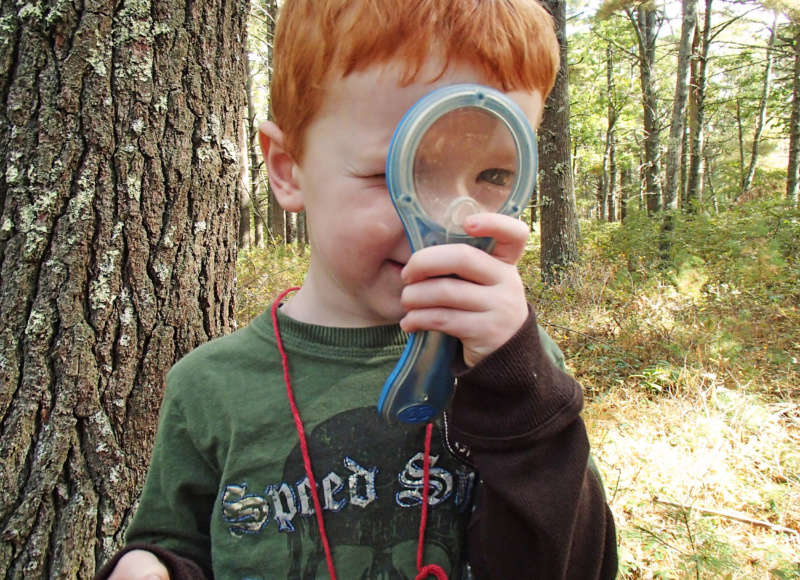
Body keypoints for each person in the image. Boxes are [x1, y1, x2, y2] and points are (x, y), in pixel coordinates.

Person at [99, 0, 618, 578]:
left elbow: (579, 563)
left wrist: (519, 394)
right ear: (288, 167)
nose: (449, 220)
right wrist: (151, 566)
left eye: (494, 177)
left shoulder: (519, 373)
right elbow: (181, 545)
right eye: (389, 172)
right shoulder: (209, 391)